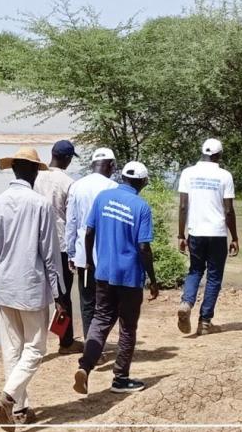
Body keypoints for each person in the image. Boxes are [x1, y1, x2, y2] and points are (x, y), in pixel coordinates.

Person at [0, 147, 65, 431]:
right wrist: (60, 294)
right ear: (32, 172)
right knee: (36, 348)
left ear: (15, 170)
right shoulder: (40, 205)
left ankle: (19, 409)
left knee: (13, 347)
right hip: (31, 286)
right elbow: (51, 255)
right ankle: (8, 398)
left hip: (5, 286)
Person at [73, 161, 159, 395]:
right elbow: (143, 247)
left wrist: (90, 261)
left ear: (122, 177)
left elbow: (88, 231)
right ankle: (120, 379)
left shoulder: (103, 197)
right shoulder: (141, 207)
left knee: (100, 321)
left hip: (104, 273)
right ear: (142, 182)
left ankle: (85, 367)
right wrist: (152, 278)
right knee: (127, 328)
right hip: (130, 278)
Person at [177, 138, 239, 336]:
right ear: (218, 155)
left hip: (195, 232)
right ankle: (204, 322)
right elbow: (228, 210)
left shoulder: (188, 173)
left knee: (195, 270)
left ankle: (186, 303)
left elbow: (183, 206)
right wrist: (235, 237)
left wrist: (181, 234)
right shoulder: (224, 176)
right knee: (214, 277)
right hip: (217, 234)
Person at [65, 147, 118, 343]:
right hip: (107, 255)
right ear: (111, 165)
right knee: (107, 302)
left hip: (82, 255)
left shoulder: (77, 186)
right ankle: (98, 342)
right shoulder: (113, 187)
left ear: (92, 164)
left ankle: (91, 344)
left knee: (88, 302)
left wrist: (71, 252)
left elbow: (71, 221)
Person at [33, 140, 80, 354]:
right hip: (60, 244)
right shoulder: (68, 182)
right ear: (68, 159)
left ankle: (34, 341)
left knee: (37, 294)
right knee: (63, 294)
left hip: (35, 244)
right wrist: (74, 251)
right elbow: (71, 219)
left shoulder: (35, 176)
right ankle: (66, 341)